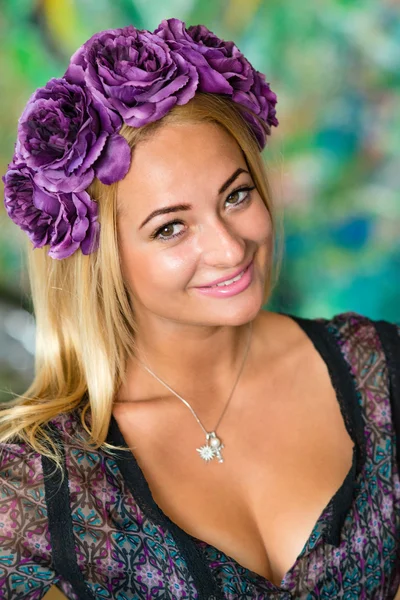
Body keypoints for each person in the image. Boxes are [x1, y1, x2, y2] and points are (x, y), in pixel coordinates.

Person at [1, 18, 399, 600]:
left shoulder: (379, 369)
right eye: (171, 228)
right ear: (101, 258)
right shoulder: (39, 481)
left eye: (235, 195)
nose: (229, 248)